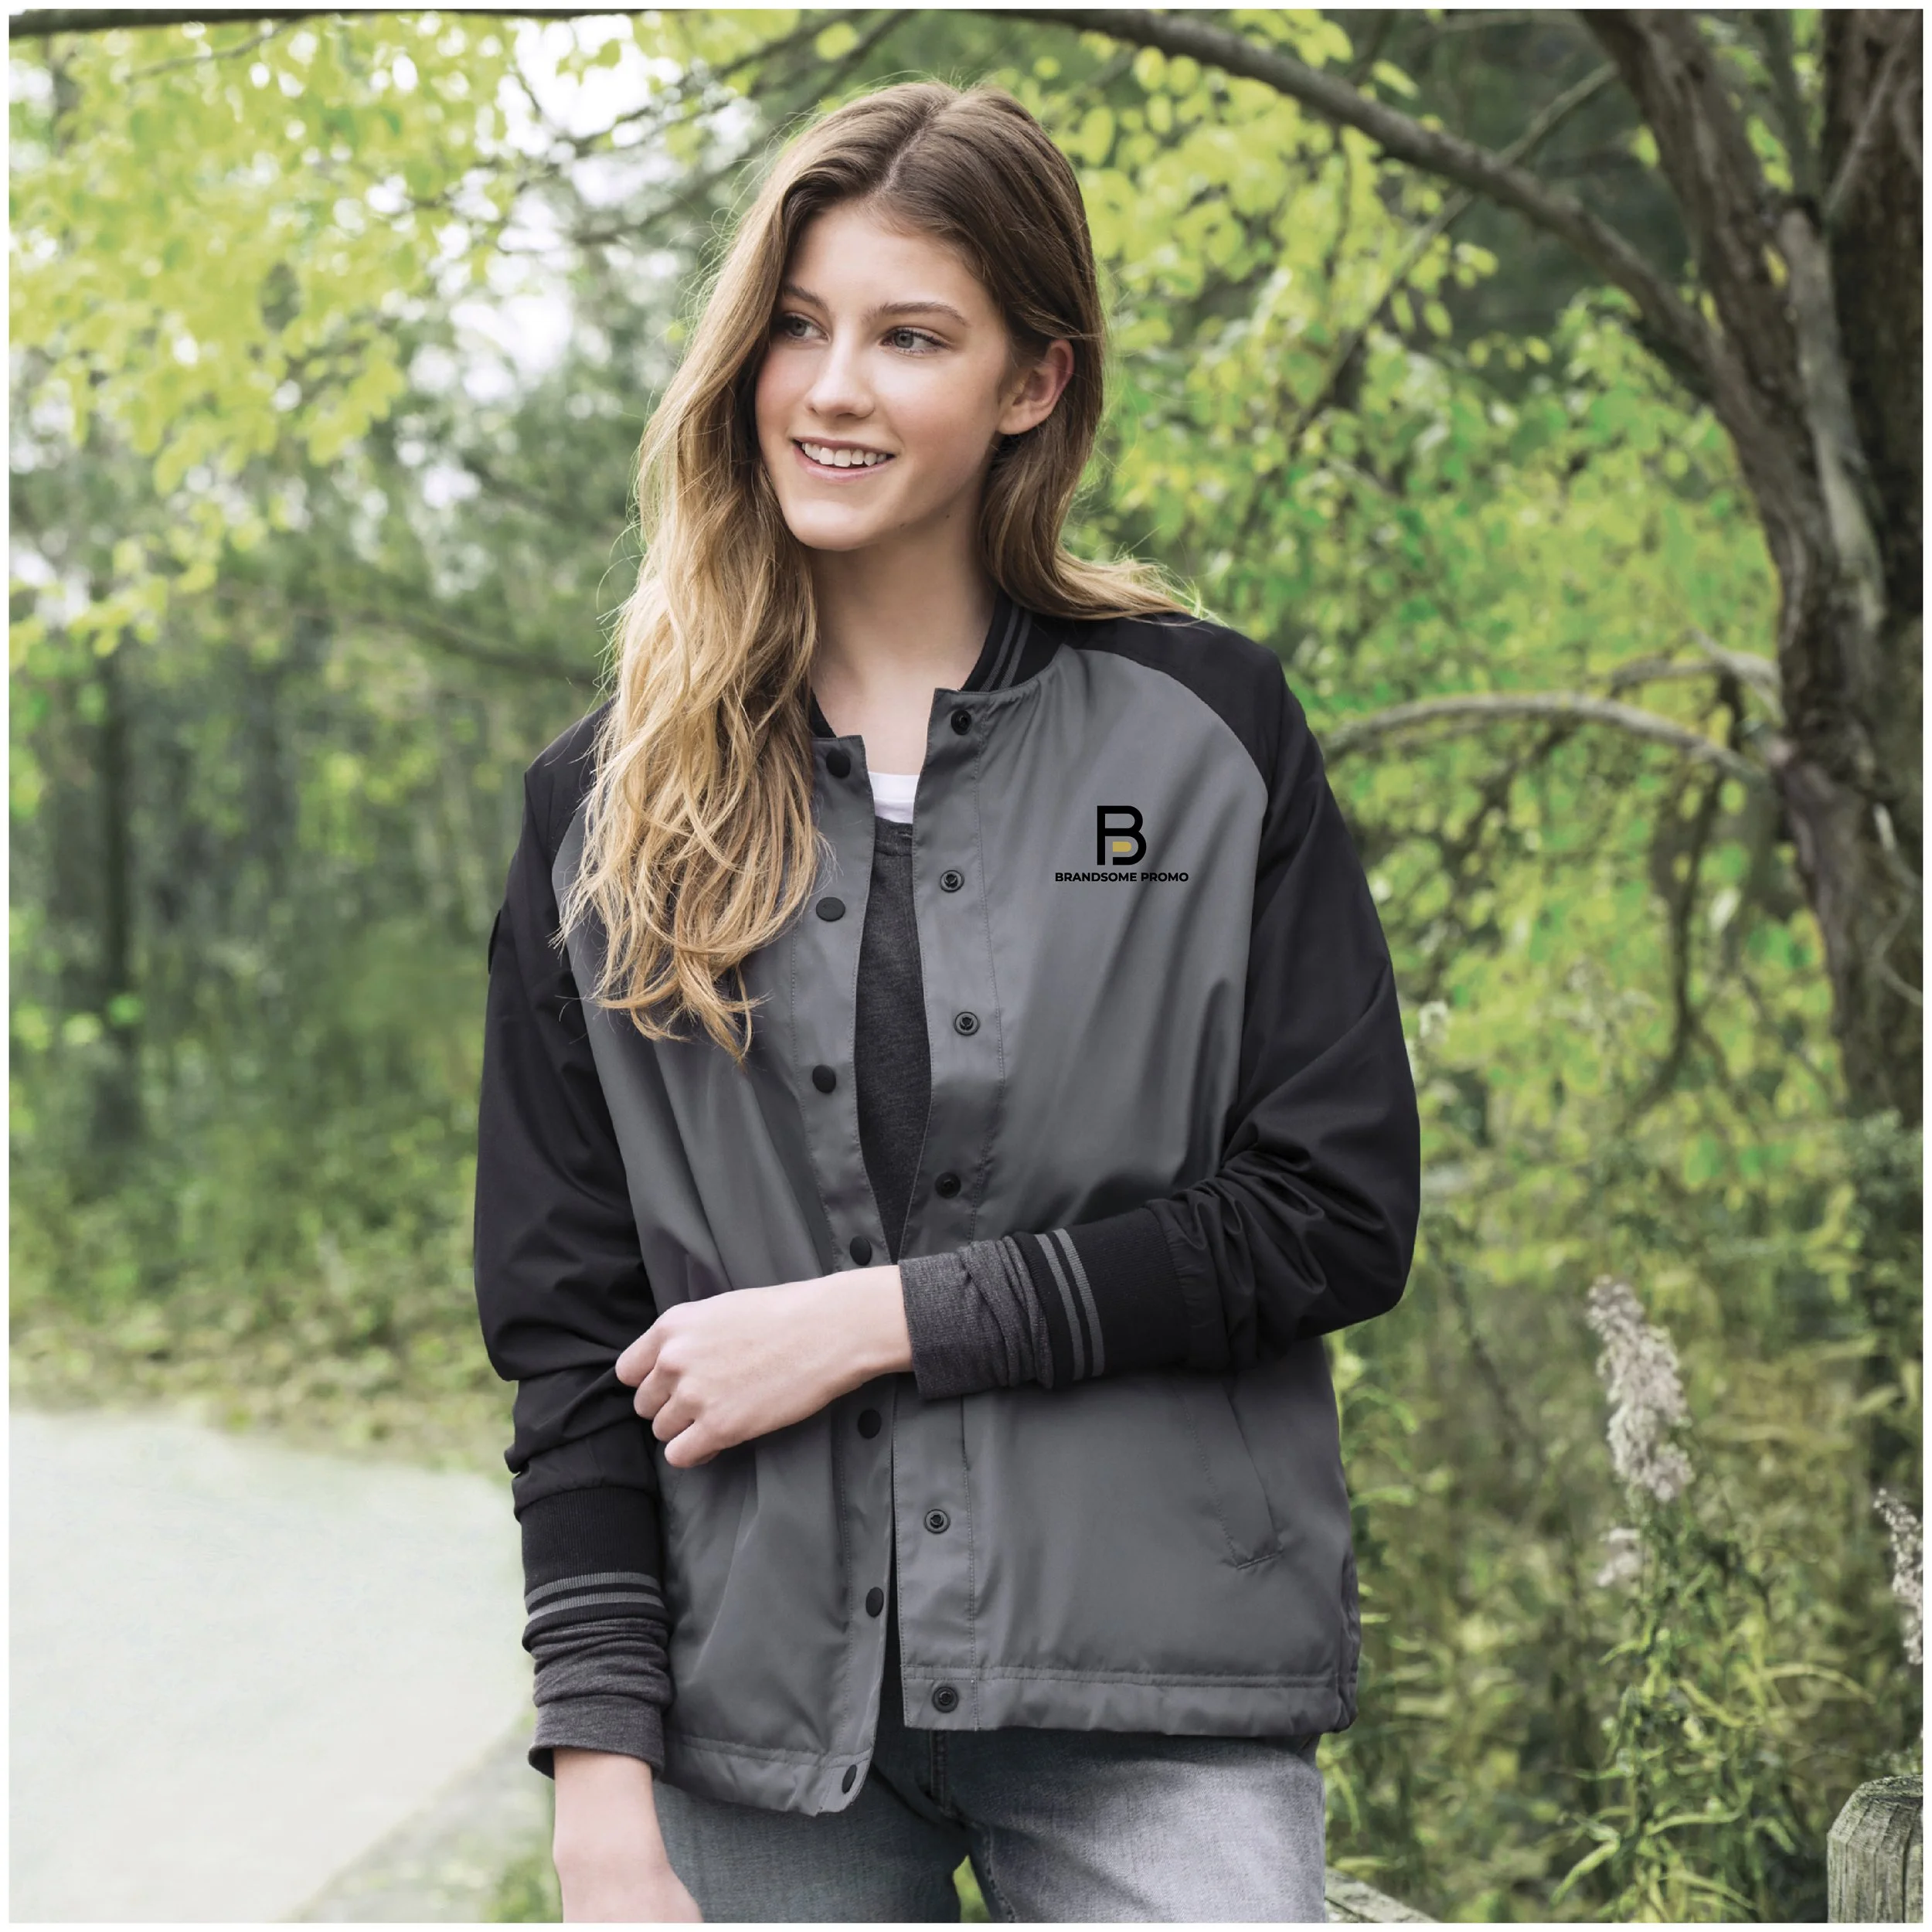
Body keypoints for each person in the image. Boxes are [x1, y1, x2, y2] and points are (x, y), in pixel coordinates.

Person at [472, 78, 1420, 1924]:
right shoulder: (602, 809)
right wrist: (601, 1785)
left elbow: (1329, 1215)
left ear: (1030, 382)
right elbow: (569, 1327)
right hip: (757, 1723)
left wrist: (871, 1319)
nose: (831, 388)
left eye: (909, 337)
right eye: (798, 328)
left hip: (1154, 1689)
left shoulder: (1206, 737)